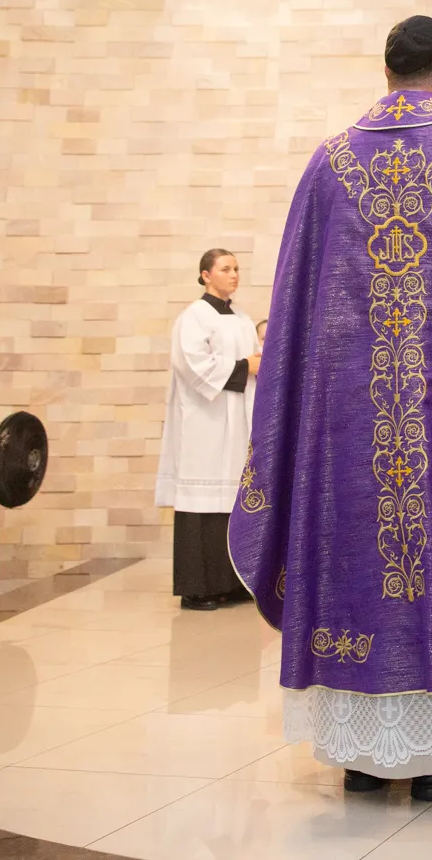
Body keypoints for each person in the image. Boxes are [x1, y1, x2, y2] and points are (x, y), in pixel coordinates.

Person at [228, 16, 432, 799]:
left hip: (348, 422)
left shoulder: (329, 162)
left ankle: (361, 757)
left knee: (357, 554)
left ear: (386, 74)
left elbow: (295, 311)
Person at [156, 248, 259, 611]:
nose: (234, 275)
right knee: (202, 505)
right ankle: (196, 589)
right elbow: (193, 365)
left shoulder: (243, 320)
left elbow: (257, 361)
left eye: (237, 269)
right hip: (205, 422)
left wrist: (256, 364)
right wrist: (245, 366)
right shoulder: (194, 317)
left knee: (232, 503)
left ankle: (229, 583)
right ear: (205, 275)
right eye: (226, 269)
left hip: (238, 422)